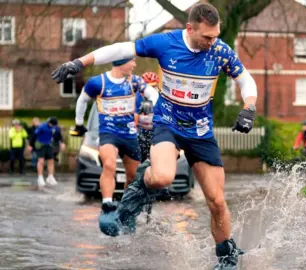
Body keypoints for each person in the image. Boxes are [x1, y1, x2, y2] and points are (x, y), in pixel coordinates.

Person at [52, 3, 257, 268]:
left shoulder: (220, 51)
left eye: (215, 35)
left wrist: (248, 107)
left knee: (217, 201)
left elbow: (246, 80)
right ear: (190, 28)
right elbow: (119, 49)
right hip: (168, 124)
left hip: (201, 132)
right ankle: (138, 190)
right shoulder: (165, 43)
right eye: (206, 36)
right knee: (162, 178)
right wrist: (79, 62)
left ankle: (226, 257)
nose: (212, 41)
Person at [68, 58, 156, 229]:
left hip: (130, 135)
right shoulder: (98, 82)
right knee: (109, 164)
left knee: (133, 176)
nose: (135, 65)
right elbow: (82, 100)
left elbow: (152, 93)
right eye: (132, 61)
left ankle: (126, 208)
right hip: (108, 133)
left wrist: (151, 103)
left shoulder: (135, 81)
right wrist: (79, 124)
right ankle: (107, 204)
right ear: (121, 63)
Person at [28, 117, 66, 187]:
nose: (53, 126)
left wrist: (62, 143)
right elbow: (34, 135)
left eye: (54, 125)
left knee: (51, 161)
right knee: (41, 161)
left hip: (49, 145)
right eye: (52, 125)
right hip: (40, 145)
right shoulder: (42, 126)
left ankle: (50, 177)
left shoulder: (55, 127)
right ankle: (40, 177)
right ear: (49, 123)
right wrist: (30, 145)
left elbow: (59, 135)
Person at [136, 71, 160, 162]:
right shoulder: (136, 100)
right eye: (148, 87)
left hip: (156, 138)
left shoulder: (161, 100)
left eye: (153, 86)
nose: (151, 90)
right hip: (140, 139)